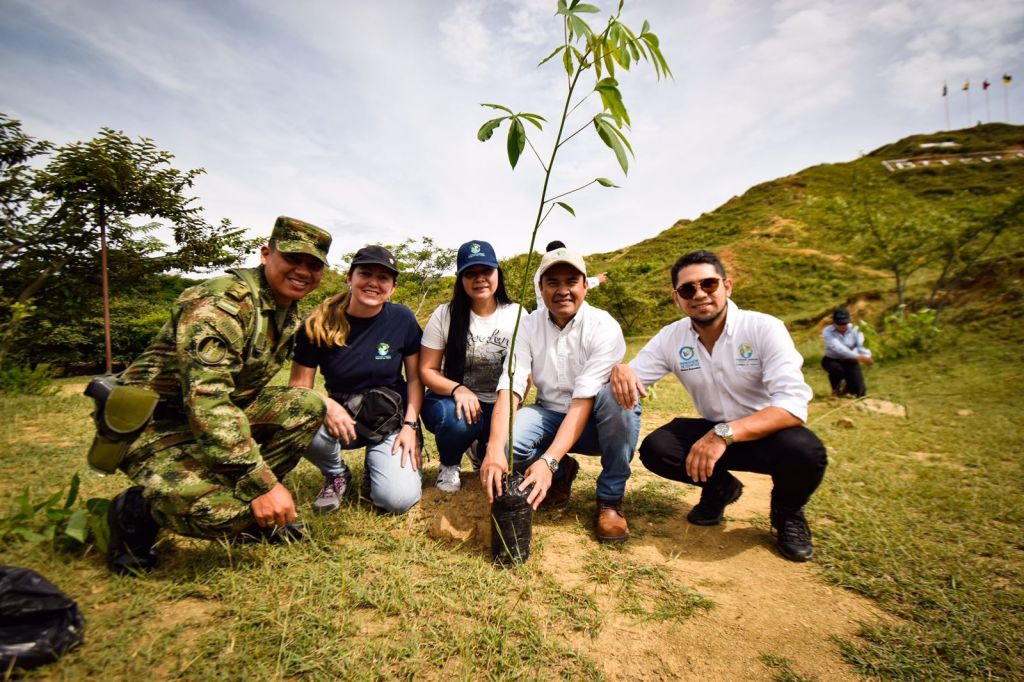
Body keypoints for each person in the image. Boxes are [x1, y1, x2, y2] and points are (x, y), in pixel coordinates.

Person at [106, 216, 333, 575]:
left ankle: (254, 509)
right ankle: (137, 510)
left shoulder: (284, 310)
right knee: (225, 514)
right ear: (265, 254)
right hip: (155, 426)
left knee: (306, 405)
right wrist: (262, 484)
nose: (303, 271)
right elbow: (207, 402)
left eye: (314, 265)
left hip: (217, 421)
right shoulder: (220, 304)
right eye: (293, 258)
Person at [610, 249, 827, 562]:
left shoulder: (764, 328)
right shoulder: (671, 337)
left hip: (765, 432)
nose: (699, 294)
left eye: (708, 284)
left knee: (807, 452)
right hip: (714, 430)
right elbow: (632, 378)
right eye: (688, 289)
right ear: (677, 298)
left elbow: (792, 406)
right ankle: (721, 488)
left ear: (727, 286)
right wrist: (620, 368)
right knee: (657, 448)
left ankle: (787, 514)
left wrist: (724, 434)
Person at [480, 246, 641, 544]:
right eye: (553, 282)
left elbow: (583, 400)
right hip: (549, 414)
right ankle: (564, 470)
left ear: (585, 286)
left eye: (571, 281)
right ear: (540, 288)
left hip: (595, 420)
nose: (562, 290)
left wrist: (548, 461)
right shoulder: (527, 324)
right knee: (503, 448)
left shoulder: (604, 326)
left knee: (620, 401)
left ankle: (610, 499)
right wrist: (493, 449)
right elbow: (511, 386)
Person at [291, 245, 424, 515]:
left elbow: (415, 380)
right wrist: (326, 405)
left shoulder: (402, 319)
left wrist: (410, 426)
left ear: (393, 287)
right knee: (291, 418)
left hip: (390, 420)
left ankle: (378, 465)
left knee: (396, 501)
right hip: (343, 419)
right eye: (365, 273)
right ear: (349, 278)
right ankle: (337, 474)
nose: (374, 283)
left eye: (383, 278)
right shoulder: (317, 323)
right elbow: (299, 387)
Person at [419, 240, 523, 493]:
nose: (480, 279)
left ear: (498, 273)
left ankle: (479, 448)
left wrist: (515, 406)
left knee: (516, 455)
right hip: (450, 400)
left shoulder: (517, 314)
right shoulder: (445, 314)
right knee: (459, 422)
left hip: (497, 403)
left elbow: (523, 370)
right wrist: (458, 390)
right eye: (470, 273)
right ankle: (450, 464)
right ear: (460, 279)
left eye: (486, 271)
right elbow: (427, 370)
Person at [533, 240, 607, 314]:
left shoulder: (541, 271)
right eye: (553, 283)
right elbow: (578, 283)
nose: (563, 292)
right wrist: (597, 279)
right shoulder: (545, 271)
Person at [821, 307, 872, 397]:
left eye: (844, 323)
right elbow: (838, 348)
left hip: (850, 361)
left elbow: (861, 345)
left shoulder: (856, 329)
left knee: (860, 391)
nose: (842, 326)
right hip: (832, 360)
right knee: (837, 370)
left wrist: (867, 356)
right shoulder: (827, 331)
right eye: (839, 323)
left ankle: (848, 389)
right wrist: (858, 357)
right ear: (834, 322)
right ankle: (836, 390)